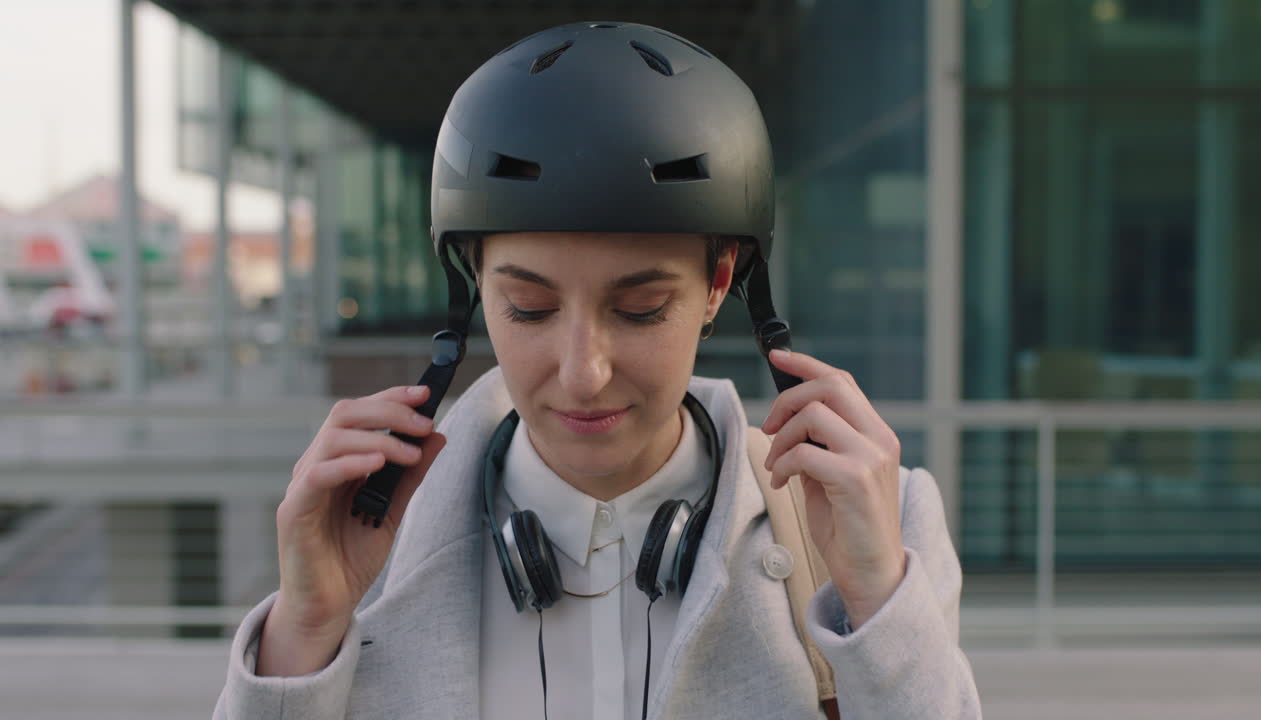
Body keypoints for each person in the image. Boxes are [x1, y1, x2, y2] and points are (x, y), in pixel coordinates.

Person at [214, 21, 981, 720]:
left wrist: (878, 600)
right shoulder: (368, 538)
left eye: (641, 308)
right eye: (527, 307)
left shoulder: (882, 522)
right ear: (475, 288)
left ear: (719, 287)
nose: (583, 373)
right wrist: (306, 630)